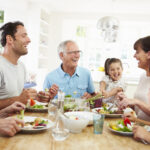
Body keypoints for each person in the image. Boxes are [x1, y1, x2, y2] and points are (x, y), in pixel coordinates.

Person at [0, 21, 38, 109]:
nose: (29, 40)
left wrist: (33, 96)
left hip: (18, 119)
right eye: (23, 36)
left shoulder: (21, 66)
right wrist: (18, 99)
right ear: (10, 39)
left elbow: (18, 97)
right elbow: (17, 99)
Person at [117, 36, 150, 121]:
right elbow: (139, 110)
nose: (134, 56)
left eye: (137, 52)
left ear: (149, 54)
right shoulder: (143, 76)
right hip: (139, 129)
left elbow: (139, 103)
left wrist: (136, 101)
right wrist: (127, 101)